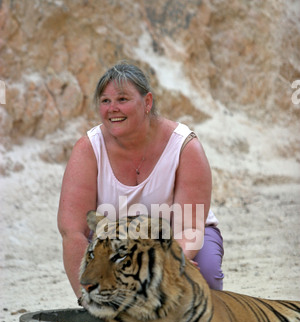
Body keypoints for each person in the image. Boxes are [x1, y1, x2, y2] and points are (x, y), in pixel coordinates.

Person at [57, 61, 224, 302]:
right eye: (105, 101)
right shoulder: (88, 149)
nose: (112, 108)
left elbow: (189, 228)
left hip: (177, 237)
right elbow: (72, 231)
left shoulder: (185, 146)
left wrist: (166, 265)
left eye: (122, 99)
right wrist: (88, 300)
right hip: (115, 244)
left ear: (147, 102)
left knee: (203, 274)